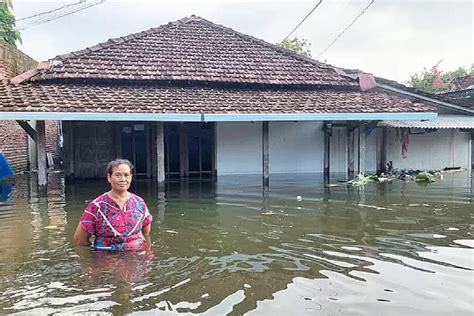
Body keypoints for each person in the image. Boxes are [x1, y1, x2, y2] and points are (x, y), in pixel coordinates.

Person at [74, 159, 152, 251]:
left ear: (131, 177)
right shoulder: (97, 206)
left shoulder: (139, 203)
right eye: (117, 175)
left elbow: (146, 232)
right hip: (107, 260)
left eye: (126, 175)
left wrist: (148, 254)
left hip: (136, 258)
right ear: (109, 177)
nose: (123, 179)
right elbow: (80, 239)